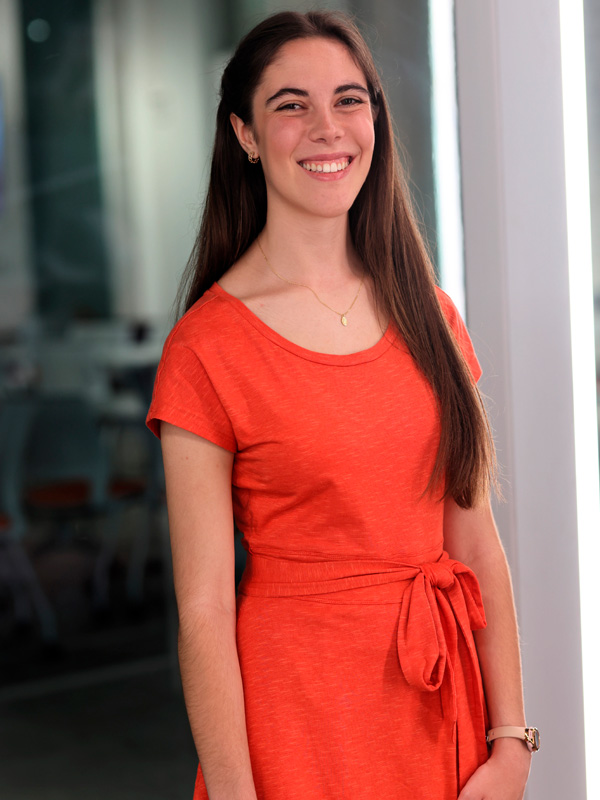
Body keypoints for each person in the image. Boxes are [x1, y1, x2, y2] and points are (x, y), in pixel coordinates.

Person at [146, 10, 536, 800]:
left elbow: (474, 543)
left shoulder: (431, 314)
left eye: (349, 100)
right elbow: (205, 610)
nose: (327, 129)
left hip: (443, 717)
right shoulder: (206, 349)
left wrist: (512, 743)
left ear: (375, 119)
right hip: (300, 727)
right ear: (246, 135)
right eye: (291, 105)